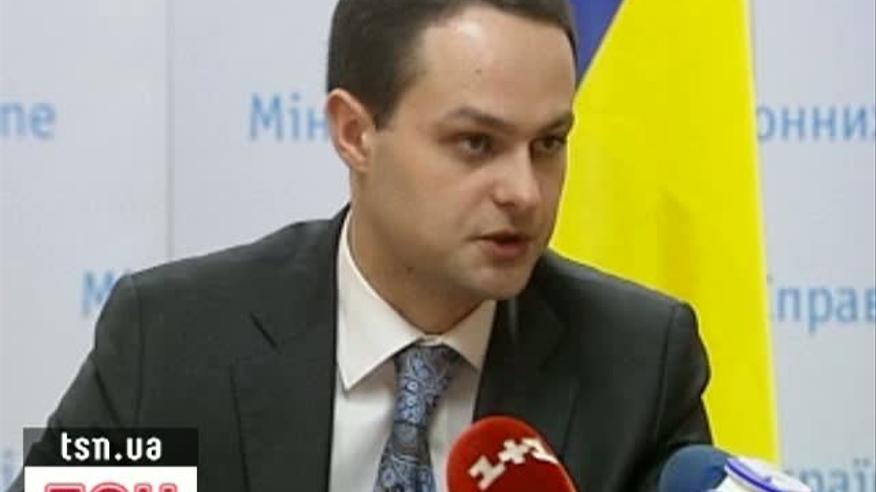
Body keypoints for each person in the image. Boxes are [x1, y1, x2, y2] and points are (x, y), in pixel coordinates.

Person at [9, 0, 711, 491]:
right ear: (354, 133)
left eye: (549, 144)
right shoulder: (173, 341)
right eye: (476, 143)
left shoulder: (637, 364)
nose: (525, 192)